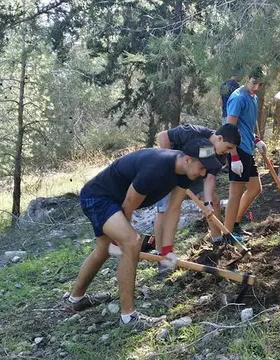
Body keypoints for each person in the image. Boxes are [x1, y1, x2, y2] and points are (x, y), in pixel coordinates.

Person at [64, 143, 222, 329]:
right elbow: (129, 204)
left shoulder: (184, 171)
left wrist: (167, 250)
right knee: (132, 242)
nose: (203, 174)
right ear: (187, 159)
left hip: (112, 200)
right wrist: (120, 241)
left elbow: (173, 209)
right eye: (202, 167)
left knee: (103, 250)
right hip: (99, 197)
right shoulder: (156, 169)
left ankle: (75, 299)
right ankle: (128, 317)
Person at [152, 123, 241, 273]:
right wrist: (170, 167)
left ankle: (218, 242)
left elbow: (210, 179)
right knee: (165, 210)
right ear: (219, 138)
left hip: (196, 173)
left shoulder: (220, 156)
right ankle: (162, 257)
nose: (228, 152)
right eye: (228, 147)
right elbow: (162, 136)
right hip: (171, 170)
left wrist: (207, 203)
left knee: (214, 202)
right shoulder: (192, 132)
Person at [224, 67, 268, 237]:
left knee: (255, 188)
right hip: (238, 150)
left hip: (248, 148)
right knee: (235, 193)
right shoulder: (238, 98)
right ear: (247, 78)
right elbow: (229, 129)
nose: (256, 87)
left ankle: (234, 223)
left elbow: (247, 126)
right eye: (253, 83)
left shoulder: (253, 97)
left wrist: (257, 140)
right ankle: (227, 235)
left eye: (260, 84)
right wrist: (234, 156)